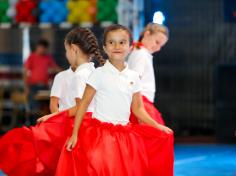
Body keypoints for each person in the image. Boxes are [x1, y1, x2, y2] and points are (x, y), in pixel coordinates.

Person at [55, 24, 174, 176]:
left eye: (122, 42)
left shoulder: (133, 77)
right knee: (101, 169)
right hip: (100, 136)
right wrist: (75, 134)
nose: (117, 46)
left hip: (125, 138)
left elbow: (138, 109)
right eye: (111, 42)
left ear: (130, 46)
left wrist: (157, 125)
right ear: (105, 47)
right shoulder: (98, 74)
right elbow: (83, 105)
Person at [0, 27, 104, 176]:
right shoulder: (94, 72)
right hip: (94, 126)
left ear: (73, 49)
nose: (66, 54)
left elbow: (81, 108)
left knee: (26, 144)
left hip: (79, 125)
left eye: (66, 50)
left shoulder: (79, 75)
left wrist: (53, 117)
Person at [128, 23, 169, 125]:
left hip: (141, 101)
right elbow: (135, 78)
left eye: (161, 46)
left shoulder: (140, 52)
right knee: (157, 135)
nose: (158, 48)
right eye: (157, 42)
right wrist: (139, 109)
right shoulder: (141, 53)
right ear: (147, 34)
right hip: (141, 101)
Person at [23, 39, 60, 124]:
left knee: (44, 107)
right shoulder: (31, 57)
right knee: (34, 108)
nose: (42, 50)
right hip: (33, 86)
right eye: (41, 47)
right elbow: (25, 72)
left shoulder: (48, 57)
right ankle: (32, 126)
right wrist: (26, 87)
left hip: (44, 87)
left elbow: (55, 68)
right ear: (37, 47)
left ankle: (43, 127)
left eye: (44, 48)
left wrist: (68, 72)